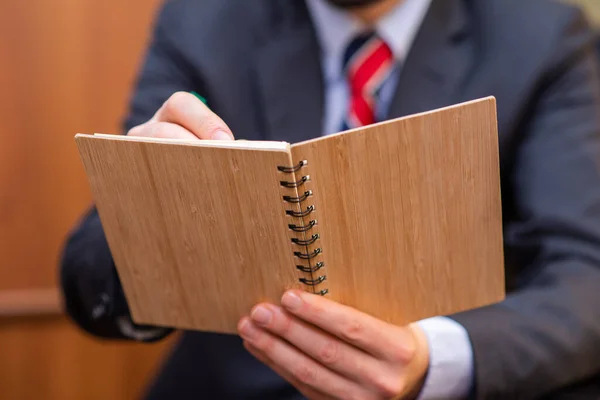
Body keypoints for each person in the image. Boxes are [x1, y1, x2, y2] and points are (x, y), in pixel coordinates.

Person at [61, 0, 600, 398]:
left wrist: (433, 360)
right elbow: (88, 277)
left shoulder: (541, 34)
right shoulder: (204, 20)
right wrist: (146, 204)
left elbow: (586, 273)